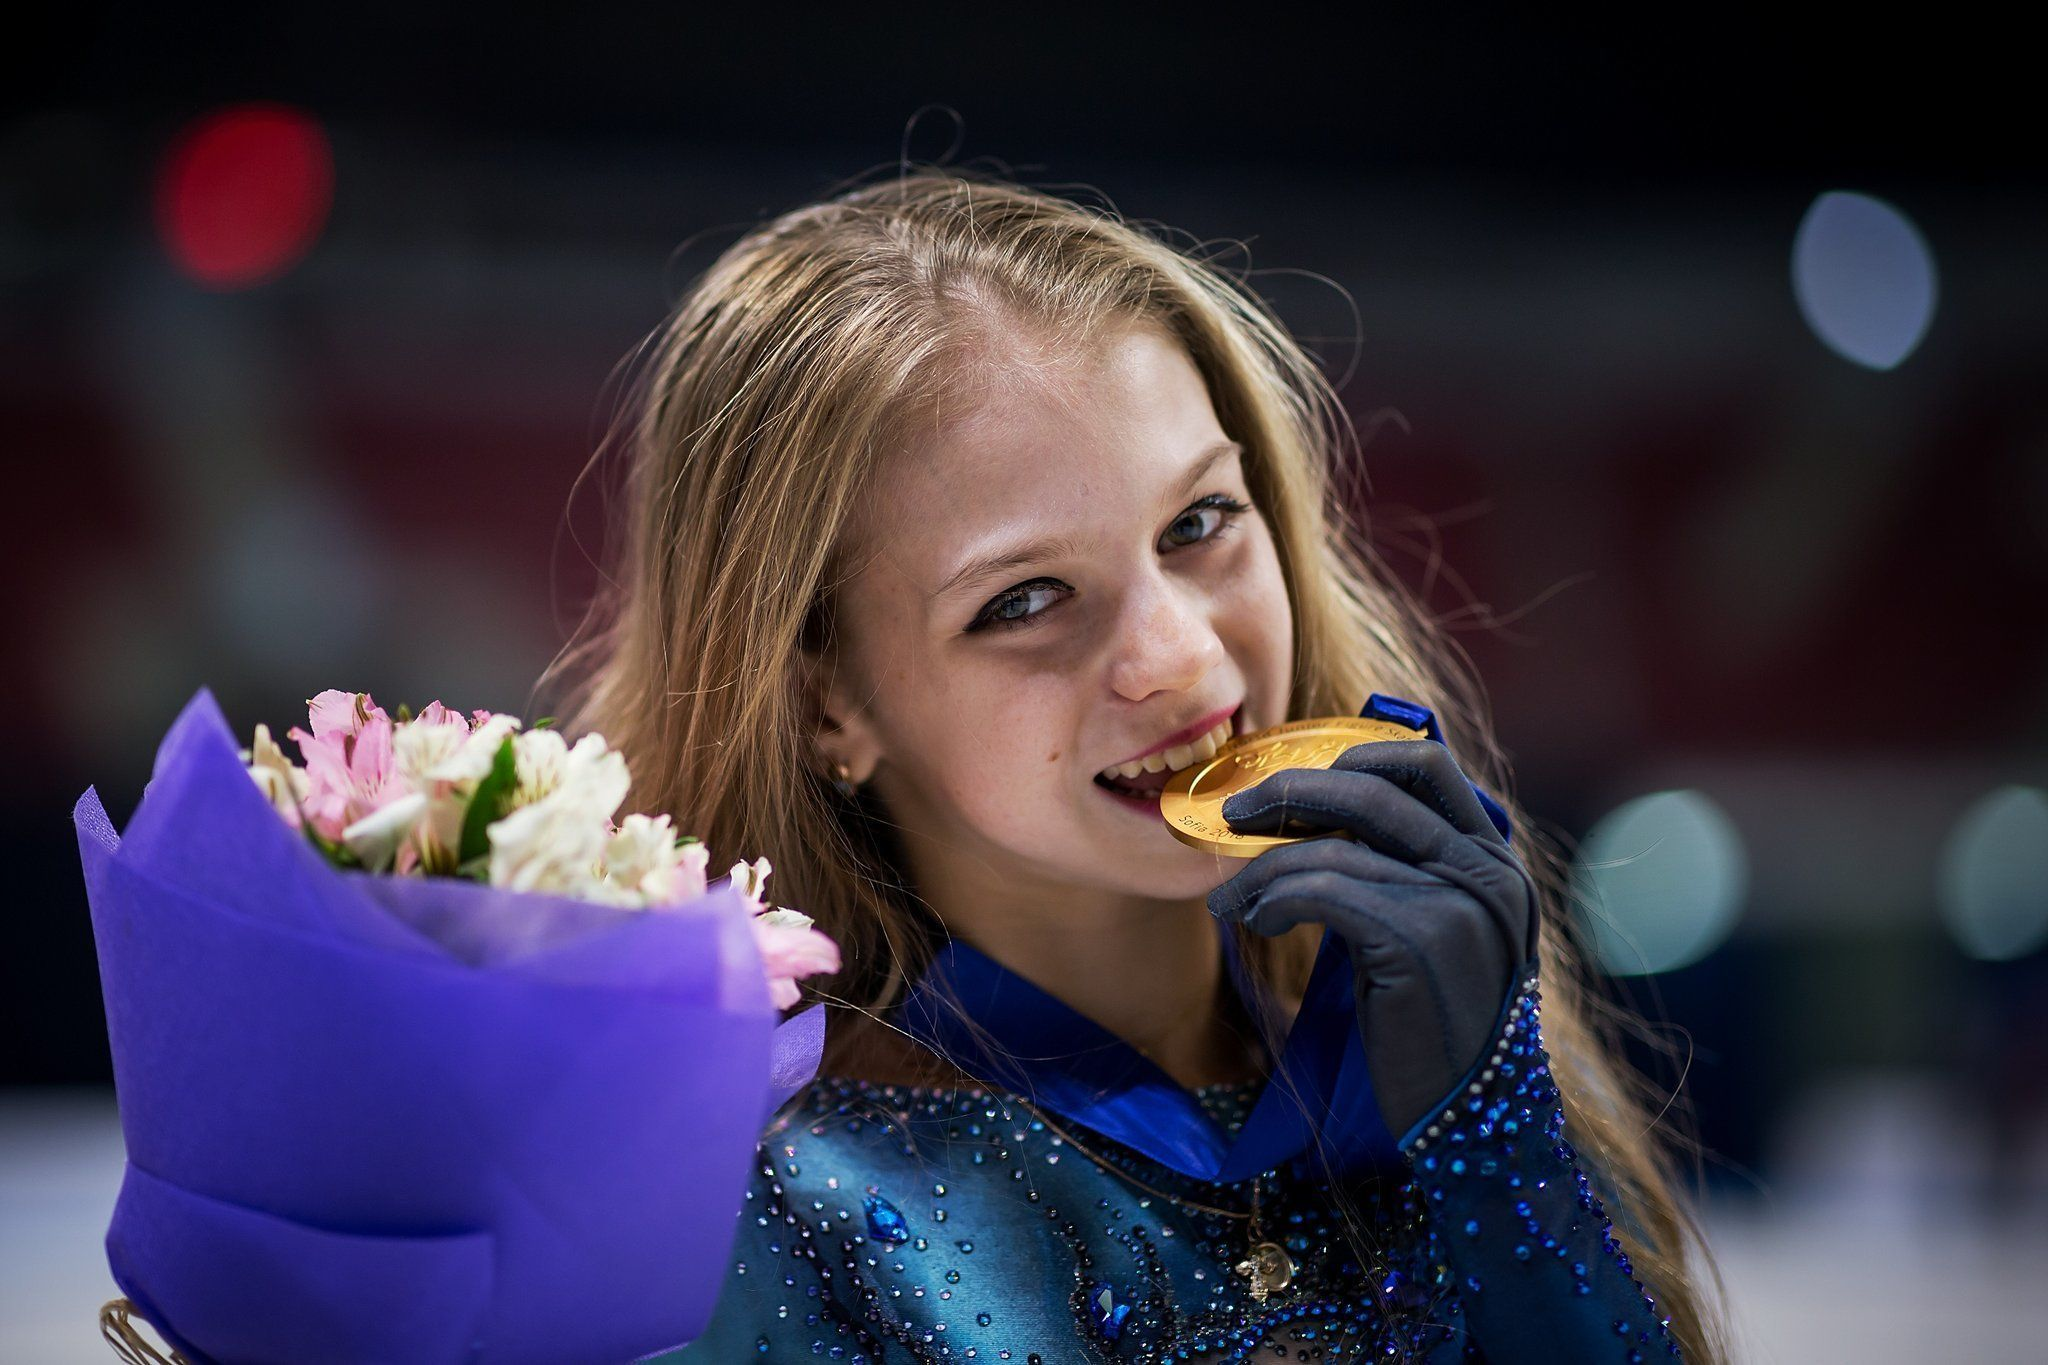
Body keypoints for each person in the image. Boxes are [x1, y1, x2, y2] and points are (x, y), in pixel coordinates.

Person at [542, 165, 1728, 1362]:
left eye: (1199, 523)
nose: (1176, 652)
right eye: (1027, 598)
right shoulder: (737, 1202)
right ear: (823, 705)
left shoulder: (1446, 1051)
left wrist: (1495, 1137)